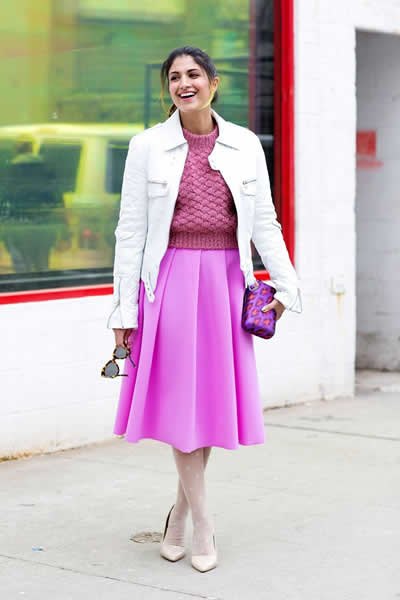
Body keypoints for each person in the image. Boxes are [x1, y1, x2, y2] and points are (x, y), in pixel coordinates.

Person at [106, 46, 302, 573]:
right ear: (168, 88)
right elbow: (130, 231)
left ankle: (178, 515)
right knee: (180, 404)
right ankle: (203, 523)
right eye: (174, 77)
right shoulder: (147, 146)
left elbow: (265, 221)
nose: (183, 83)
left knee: (207, 403)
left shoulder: (245, 144)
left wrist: (286, 287)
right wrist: (123, 311)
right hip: (169, 280)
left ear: (214, 83)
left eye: (194, 74)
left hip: (226, 281)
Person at [0, 137, 65, 273]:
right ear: (32, 149)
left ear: (16, 150)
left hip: (19, 224)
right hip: (45, 224)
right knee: (42, 261)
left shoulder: (9, 171)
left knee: (23, 265)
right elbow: (57, 198)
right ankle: (43, 281)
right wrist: (63, 228)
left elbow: (4, 199)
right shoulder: (47, 169)